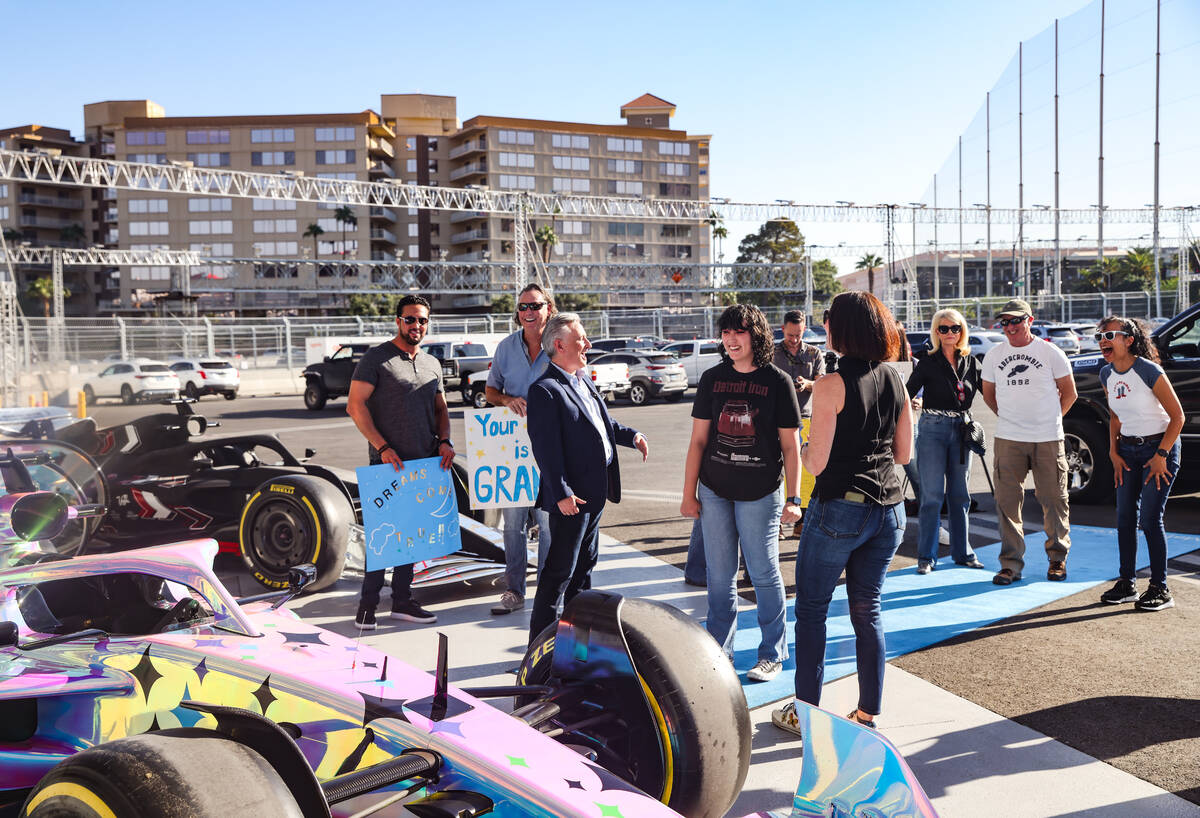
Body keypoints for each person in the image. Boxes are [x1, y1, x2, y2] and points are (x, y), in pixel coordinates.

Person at [773, 290, 913, 737]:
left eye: (829, 321)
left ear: (843, 328)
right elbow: (904, 453)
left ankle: (804, 713)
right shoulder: (895, 377)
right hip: (889, 510)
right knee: (867, 610)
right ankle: (867, 714)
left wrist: (804, 442)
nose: (824, 328)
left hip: (839, 509)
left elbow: (815, 463)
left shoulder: (831, 384)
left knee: (812, 610)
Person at [681, 304, 801, 683]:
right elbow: (699, 441)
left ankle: (772, 653)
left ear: (757, 336)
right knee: (719, 577)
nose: (731, 339)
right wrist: (689, 494)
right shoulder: (713, 379)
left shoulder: (777, 381)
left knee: (764, 574)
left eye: (740, 332)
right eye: (726, 332)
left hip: (761, 493)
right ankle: (720, 652)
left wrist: (794, 499)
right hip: (714, 490)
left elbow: (791, 447)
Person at [526, 313, 649, 644]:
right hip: (572, 500)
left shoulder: (581, 379)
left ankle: (575, 643)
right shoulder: (545, 390)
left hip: (594, 495)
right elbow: (546, 449)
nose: (588, 344)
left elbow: (602, 425)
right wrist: (561, 492)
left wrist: (632, 436)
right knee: (558, 575)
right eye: (581, 339)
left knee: (584, 570)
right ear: (559, 344)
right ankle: (538, 650)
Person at [346, 294, 453, 629]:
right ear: (398, 321)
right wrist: (382, 447)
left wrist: (446, 440)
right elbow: (355, 406)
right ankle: (367, 607)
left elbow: (441, 409)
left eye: (422, 320)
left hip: (424, 463)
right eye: (410, 319)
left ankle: (403, 601)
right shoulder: (377, 359)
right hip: (388, 466)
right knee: (384, 539)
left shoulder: (432, 363)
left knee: (412, 537)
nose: (416, 325)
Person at [980, 298, 1076, 585]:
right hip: (1009, 439)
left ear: (1029, 320)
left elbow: (1069, 393)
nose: (1009, 327)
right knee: (1008, 503)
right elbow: (988, 394)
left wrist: (1051, 420)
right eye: (1005, 322)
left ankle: (1057, 560)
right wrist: (1009, 417)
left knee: (1054, 500)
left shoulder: (1050, 352)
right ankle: (1010, 565)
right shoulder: (994, 355)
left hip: (1048, 438)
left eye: (1015, 321)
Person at [1096, 316, 1184, 611]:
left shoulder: (1149, 370)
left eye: (1110, 335)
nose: (1103, 341)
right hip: (1127, 451)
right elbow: (1116, 417)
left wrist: (1161, 456)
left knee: (1148, 519)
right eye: (1100, 336)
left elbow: (1178, 417)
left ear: (1129, 340)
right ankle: (1127, 583)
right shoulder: (1106, 373)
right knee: (1123, 519)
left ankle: (1161, 588)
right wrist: (1113, 451)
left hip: (1159, 448)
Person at [484, 283, 554, 616]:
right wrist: (507, 400)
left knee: (549, 523)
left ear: (548, 309)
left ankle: (549, 590)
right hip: (512, 450)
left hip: (552, 447)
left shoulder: (560, 344)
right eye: (523, 307)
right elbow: (490, 390)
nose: (528, 312)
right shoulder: (505, 348)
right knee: (513, 525)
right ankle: (514, 590)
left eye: (535, 306)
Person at [906, 308, 985, 573]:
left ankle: (963, 553)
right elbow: (906, 393)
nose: (950, 333)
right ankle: (927, 557)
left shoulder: (972, 362)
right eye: (943, 329)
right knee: (931, 496)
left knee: (960, 495)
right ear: (936, 332)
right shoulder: (927, 361)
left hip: (962, 428)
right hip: (932, 429)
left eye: (955, 328)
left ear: (962, 331)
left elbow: (993, 391)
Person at [773, 309, 825, 522]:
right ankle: (775, 522)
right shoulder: (772, 353)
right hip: (776, 419)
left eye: (799, 334)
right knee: (777, 470)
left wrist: (808, 384)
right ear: (783, 329)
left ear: (804, 330)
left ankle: (801, 521)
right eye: (790, 334)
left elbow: (822, 384)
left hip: (805, 417)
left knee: (806, 473)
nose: (794, 340)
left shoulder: (814, 353)